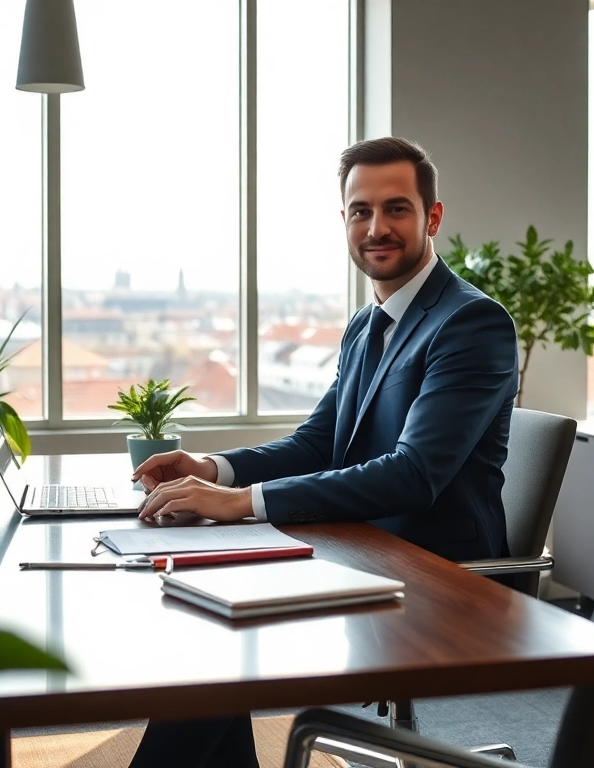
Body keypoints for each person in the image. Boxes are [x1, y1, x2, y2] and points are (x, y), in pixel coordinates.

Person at [126, 136, 519, 768]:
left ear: (432, 217)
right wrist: (212, 468)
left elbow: (413, 475)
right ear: (345, 221)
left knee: (217, 635)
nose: (377, 227)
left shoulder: (471, 323)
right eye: (361, 211)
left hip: (436, 573)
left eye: (396, 208)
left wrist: (240, 502)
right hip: (358, 547)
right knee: (208, 619)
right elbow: (318, 442)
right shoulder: (365, 326)